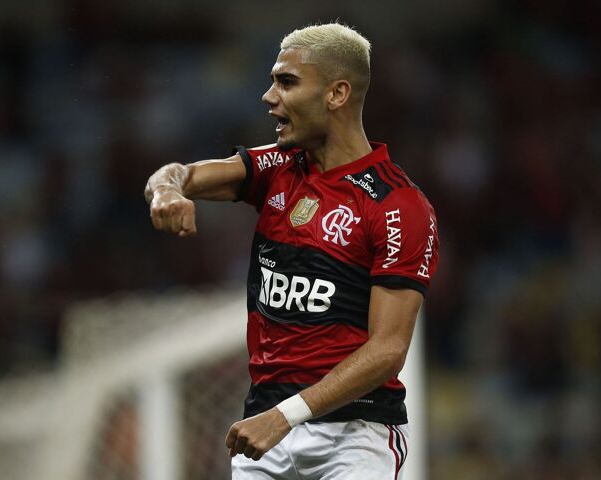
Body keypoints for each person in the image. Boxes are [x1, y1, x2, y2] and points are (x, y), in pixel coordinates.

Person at [145, 22, 439, 479]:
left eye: (286, 82)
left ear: (337, 94)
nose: (268, 97)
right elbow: (179, 173)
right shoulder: (278, 168)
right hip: (266, 435)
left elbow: (388, 349)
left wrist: (286, 415)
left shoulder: (397, 205)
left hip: (354, 435)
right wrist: (167, 191)